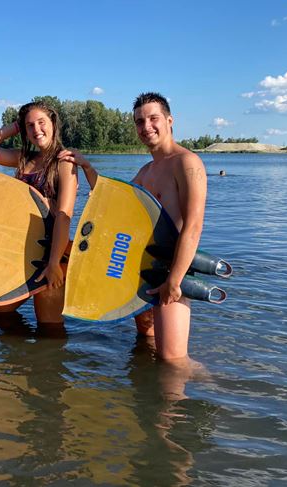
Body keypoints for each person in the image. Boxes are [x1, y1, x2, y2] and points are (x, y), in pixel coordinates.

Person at [59, 92, 207, 361]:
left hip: (169, 270)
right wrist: (87, 168)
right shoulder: (145, 171)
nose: (146, 127)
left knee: (173, 361)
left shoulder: (187, 163)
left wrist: (174, 281)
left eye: (153, 118)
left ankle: (214, 390)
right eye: (139, 121)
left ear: (170, 120)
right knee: (147, 344)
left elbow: (194, 226)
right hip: (140, 273)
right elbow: (116, 208)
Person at [0, 101, 78, 326]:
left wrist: (53, 263)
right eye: (30, 125)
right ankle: (23, 360)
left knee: (50, 329)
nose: (36, 129)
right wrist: (14, 127)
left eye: (41, 122)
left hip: (54, 253)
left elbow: (64, 216)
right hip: (22, 253)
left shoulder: (65, 162)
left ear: (53, 124)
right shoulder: (23, 159)